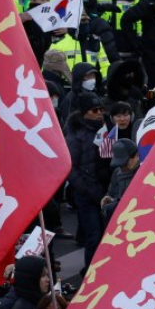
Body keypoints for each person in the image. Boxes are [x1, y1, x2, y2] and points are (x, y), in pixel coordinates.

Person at [65, 92, 108, 264]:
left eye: (101, 109)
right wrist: (90, 191)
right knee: (95, 236)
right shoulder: (74, 136)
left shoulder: (106, 128)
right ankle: (89, 275)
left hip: (104, 191)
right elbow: (70, 168)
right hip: (87, 195)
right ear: (84, 113)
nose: (99, 113)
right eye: (94, 110)